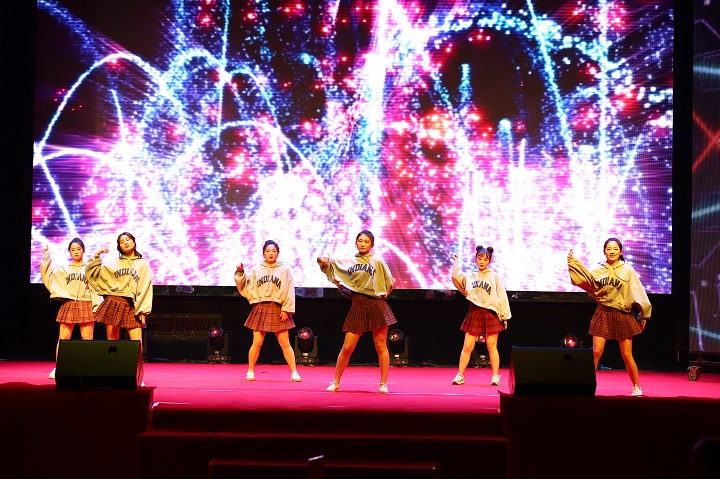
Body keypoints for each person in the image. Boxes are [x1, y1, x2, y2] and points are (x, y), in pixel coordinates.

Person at [567, 237, 651, 396]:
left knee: (627, 355)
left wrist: (644, 313)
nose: (612, 252)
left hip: (622, 314)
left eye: (615, 249)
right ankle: (586, 385)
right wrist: (573, 263)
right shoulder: (598, 269)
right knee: (596, 352)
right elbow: (583, 279)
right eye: (609, 249)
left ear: (621, 252)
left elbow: (638, 291)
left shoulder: (628, 270)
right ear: (604, 251)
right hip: (603, 312)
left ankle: (636, 386)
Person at [317, 230, 397, 394]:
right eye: (360, 241)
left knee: (381, 346)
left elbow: (390, 282)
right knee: (347, 347)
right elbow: (329, 266)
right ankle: (336, 382)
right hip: (358, 304)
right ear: (356, 242)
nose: (362, 244)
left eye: (366, 241)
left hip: (376, 304)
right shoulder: (348, 260)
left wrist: (382, 295)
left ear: (372, 244)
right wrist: (323, 261)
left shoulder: (378, 261)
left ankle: (383, 384)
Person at [86, 232, 153, 384]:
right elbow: (92, 272)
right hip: (114, 302)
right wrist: (96, 255)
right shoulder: (112, 263)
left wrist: (143, 309)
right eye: (122, 241)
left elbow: (146, 286)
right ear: (119, 246)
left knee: (137, 344)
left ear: (134, 241)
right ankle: (113, 374)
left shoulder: (143, 264)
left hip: (132, 304)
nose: (125, 242)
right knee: (112, 343)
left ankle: (138, 376)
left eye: (128, 239)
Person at [235, 240, 301, 382]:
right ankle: (250, 371)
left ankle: (294, 372)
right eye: (268, 251)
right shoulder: (256, 269)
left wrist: (286, 309)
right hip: (261, 307)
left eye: (274, 251)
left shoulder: (284, 269)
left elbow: (290, 289)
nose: (271, 253)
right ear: (263, 253)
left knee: (285, 343)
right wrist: (240, 272)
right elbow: (245, 285)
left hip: (278, 308)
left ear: (278, 253)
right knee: (257, 343)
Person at [450, 246, 511, 386]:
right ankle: (460, 375)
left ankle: (495, 376)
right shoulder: (471, 276)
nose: (482, 261)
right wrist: (456, 262)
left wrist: (505, 316)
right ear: (476, 258)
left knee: (491, 346)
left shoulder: (494, 276)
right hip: (475, 311)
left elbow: (502, 296)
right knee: (467, 346)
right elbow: (457, 278)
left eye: (485, 259)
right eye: (480, 258)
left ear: (489, 261)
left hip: (491, 312)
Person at [41, 238, 100, 379]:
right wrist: (46, 257)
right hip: (69, 303)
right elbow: (47, 277)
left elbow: (95, 289)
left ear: (83, 250)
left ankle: (87, 368)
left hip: (86, 303)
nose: (76, 252)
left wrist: (96, 306)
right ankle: (59, 367)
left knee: (87, 339)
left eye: (78, 249)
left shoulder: (89, 268)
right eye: (73, 250)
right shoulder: (63, 269)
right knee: (63, 339)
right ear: (69, 252)